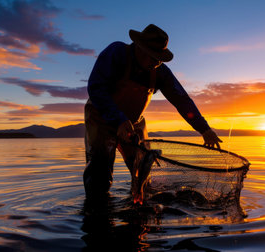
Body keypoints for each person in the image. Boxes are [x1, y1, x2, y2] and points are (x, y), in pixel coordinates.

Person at [83, 24, 222, 203]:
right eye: (153, 57)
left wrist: (204, 129)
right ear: (139, 48)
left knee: (143, 172)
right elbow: (96, 88)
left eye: (160, 59)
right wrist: (119, 119)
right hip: (100, 118)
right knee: (99, 175)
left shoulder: (160, 71)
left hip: (134, 122)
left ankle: (137, 209)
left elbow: (182, 100)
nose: (157, 63)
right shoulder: (117, 53)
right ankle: (97, 214)